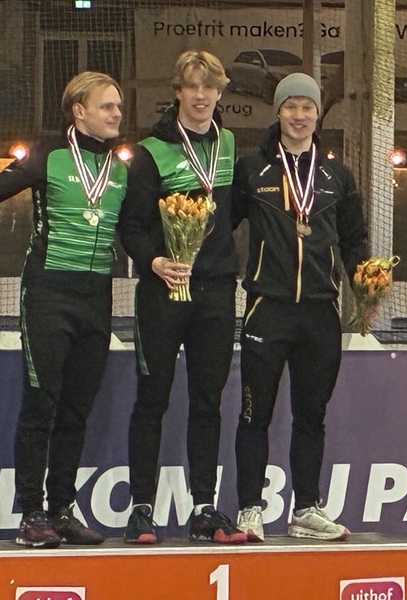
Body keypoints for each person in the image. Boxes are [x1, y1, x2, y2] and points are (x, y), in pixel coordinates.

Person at [0, 71, 127, 548]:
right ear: (78, 110)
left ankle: (62, 509)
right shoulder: (47, 155)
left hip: (97, 299)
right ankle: (31, 514)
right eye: (106, 106)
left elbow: (145, 226)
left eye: (119, 106)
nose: (116, 114)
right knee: (41, 404)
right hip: (48, 295)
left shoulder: (127, 167)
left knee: (77, 408)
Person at [231, 73, 369, 542]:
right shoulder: (252, 170)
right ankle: (250, 508)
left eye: (307, 107)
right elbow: (221, 229)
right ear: (278, 112)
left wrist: (363, 285)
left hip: (319, 312)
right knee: (255, 414)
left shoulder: (336, 176)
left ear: (317, 115)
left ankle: (306, 507)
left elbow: (353, 240)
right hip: (266, 309)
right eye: (290, 106)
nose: (298, 115)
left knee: (312, 416)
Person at [117, 50, 245, 544]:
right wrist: (154, 261)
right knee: (153, 399)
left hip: (215, 292)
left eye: (209, 87)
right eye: (191, 87)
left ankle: (205, 508)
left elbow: (231, 214)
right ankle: (142, 511)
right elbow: (131, 226)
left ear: (219, 92)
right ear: (177, 92)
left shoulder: (230, 144)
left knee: (208, 401)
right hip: (163, 293)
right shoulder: (151, 151)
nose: (200, 96)